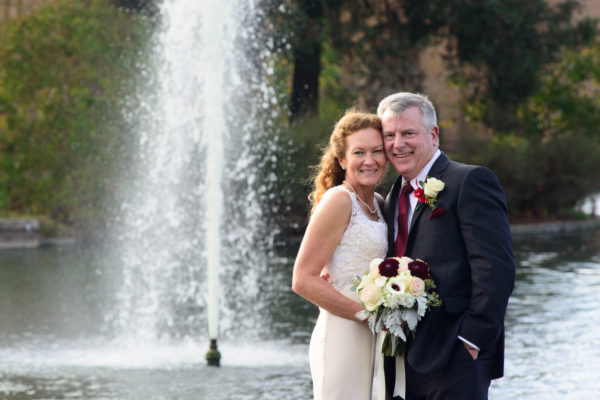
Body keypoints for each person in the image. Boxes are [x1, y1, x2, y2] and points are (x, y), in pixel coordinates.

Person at [378, 92, 516, 400]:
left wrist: (472, 341)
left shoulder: (469, 181)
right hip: (401, 359)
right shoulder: (390, 198)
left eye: (408, 133)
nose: (398, 144)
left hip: (455, 356)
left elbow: (496, 269)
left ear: (433, 134)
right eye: (390, 135)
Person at [292, 110, 388, 400]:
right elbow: (302, 280)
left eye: (377, 151)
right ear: (342, 160)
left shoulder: (380, 203)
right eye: (359, 152)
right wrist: (364, 316)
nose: (369, 160)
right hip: (343, 331)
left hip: (376, 333)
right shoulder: (339, 200)